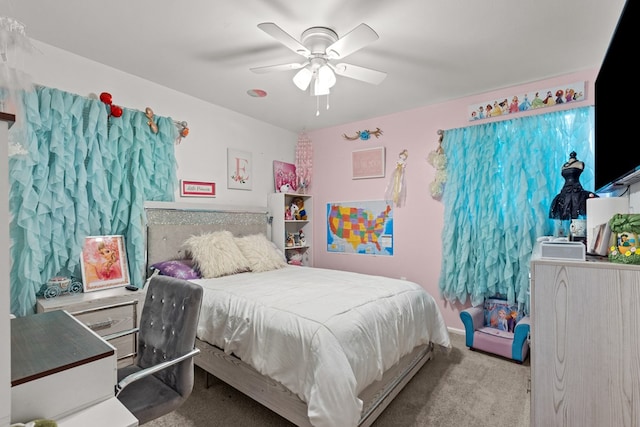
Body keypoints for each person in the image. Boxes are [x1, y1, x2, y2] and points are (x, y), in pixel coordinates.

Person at [549, 151, 598, 220]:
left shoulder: (580, 164)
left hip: (576, 190)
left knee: (576, 208)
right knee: (565, 209)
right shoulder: (564, 166)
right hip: (565, 191)